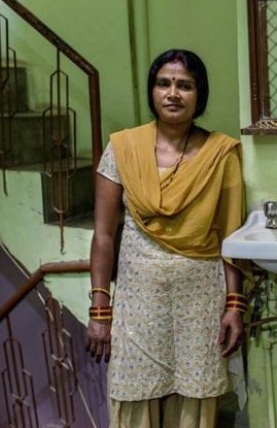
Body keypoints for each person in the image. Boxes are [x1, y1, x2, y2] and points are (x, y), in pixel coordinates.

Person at [85, 48, 248, 428]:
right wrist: (100, 308)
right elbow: (104, 235)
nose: (173, 93)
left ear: (199, 95)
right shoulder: (123, 149)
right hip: (139, 301)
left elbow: (231, 236)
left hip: (200, 300)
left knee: (196, 396)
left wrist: (234, 305)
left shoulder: (220, 154)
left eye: (184, 85)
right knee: (133, 391)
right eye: (164, 84)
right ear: (152, 91)